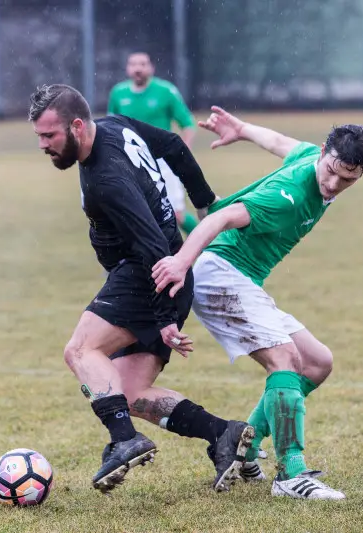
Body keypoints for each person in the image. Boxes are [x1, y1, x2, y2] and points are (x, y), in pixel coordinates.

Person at [28, 85, 254, 494]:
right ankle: (222, 433)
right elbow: (172, 145)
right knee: (129, 391)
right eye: (40, 137)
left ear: (77, 126)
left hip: (147, 276)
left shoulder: (106, 180)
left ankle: (124, 439)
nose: (43, 146)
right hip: (163, 276)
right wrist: (205, 202)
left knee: (80, 351)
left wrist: (164, 316)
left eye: (50, 136)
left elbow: (150, 244)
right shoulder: (114, 125)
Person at [152, 106, 363, 500]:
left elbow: (281, 143)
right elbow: (217, 220)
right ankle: (291, 473)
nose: (334, 184)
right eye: (331, 171)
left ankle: (246, 449)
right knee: (285, 359)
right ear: (325, 152)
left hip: (243, 278)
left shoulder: (314, 155)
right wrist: (181, 263)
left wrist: (241, 129)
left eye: (348, 179)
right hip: (220, 274)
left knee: (319, 362)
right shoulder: (287, 197)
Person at [108, 52, 200, 236]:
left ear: (151, 68)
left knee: (176, 214)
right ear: (128, 69)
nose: (138, 68)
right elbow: (110, 128)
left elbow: (188, 125)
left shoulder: (165, 91)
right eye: (133, 64)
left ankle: (212, 245)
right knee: (133, 215)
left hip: (162, 162)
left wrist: (181, 153)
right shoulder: (118, 93)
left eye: (142, 64)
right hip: (131, 163)